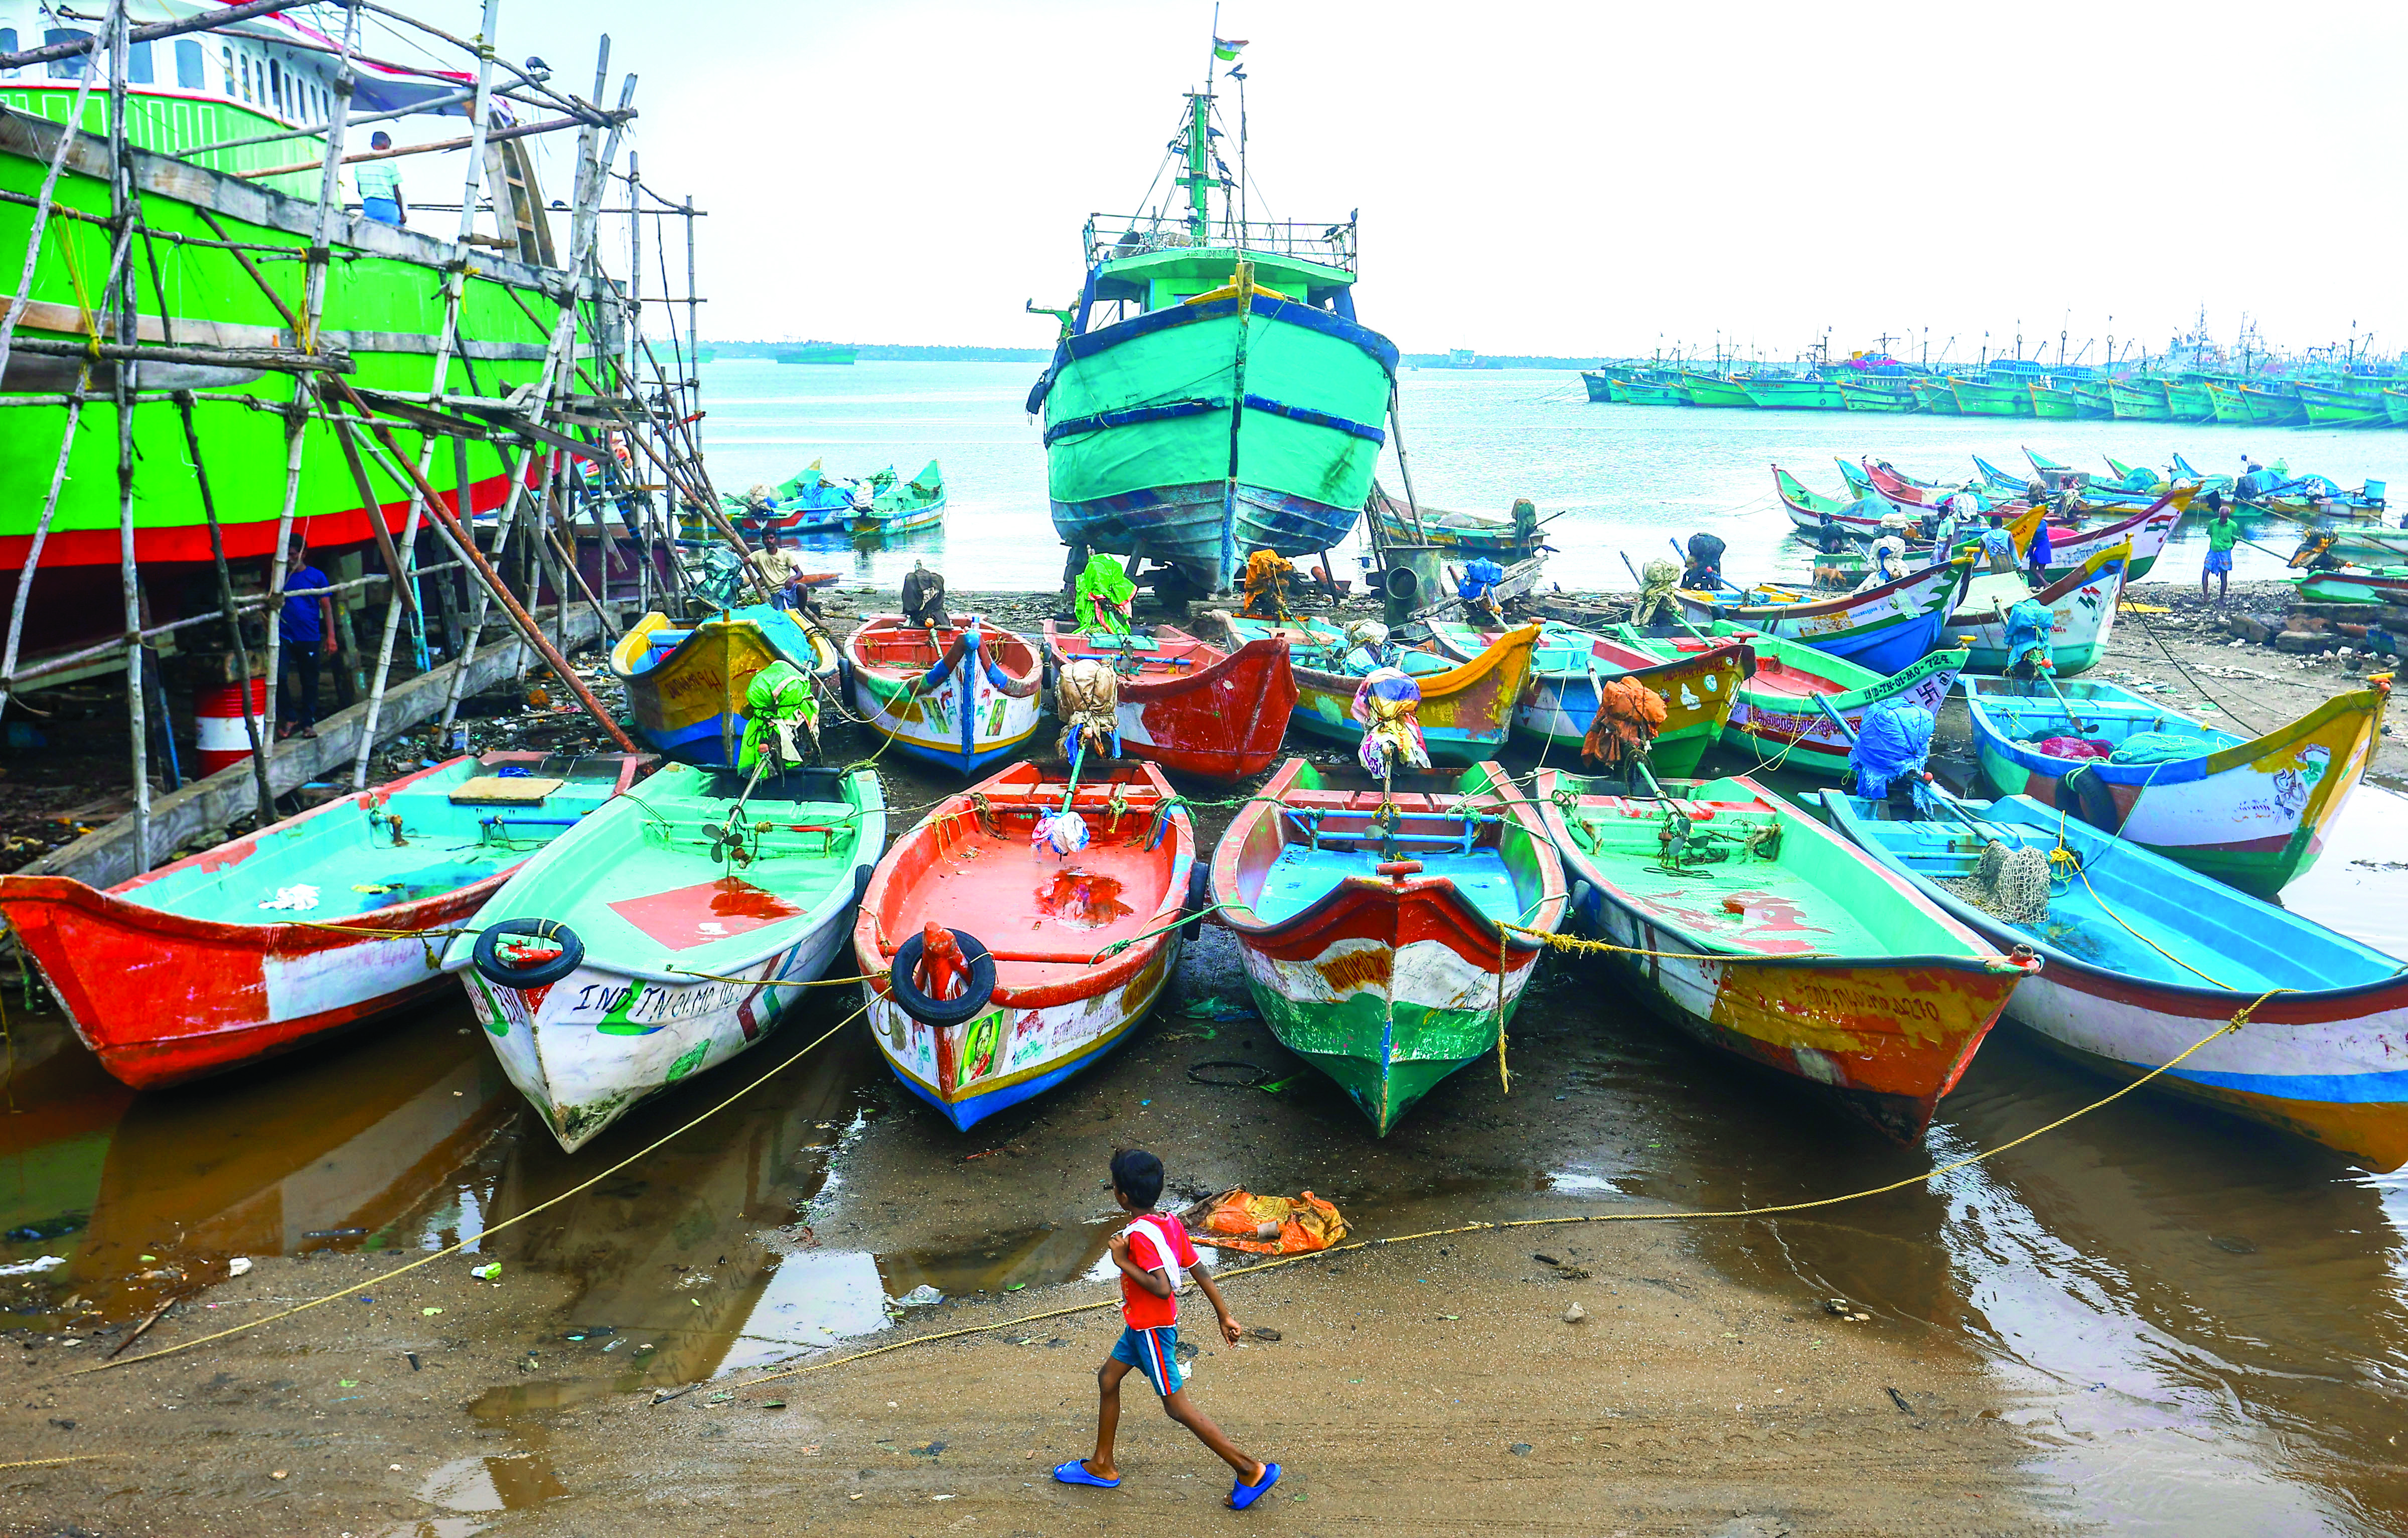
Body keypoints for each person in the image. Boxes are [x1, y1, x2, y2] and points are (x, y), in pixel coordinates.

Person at [1054, 1148, 1280, 1510]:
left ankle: (1249, 1468)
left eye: (1114, 1185)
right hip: (1140, 1325)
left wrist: (1122, 1261)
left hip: (1152, 1330)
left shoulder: (1140, 1238)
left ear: (1122, 1196)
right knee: (1108, 1379)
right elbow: (1197, 1267)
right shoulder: (1168, 1222)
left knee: (1178, 1408)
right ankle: (1101, 1464)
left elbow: (1161, 1286)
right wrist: (1225, 1314)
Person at [276, 539, 337, 740]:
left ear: (303, 554)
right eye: (287, 555)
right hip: (285, 636)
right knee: (279, 677)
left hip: (309, 636)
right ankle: (290, 716)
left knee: (309, 681)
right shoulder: (280, 577)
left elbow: (327, 608)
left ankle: (308, 722)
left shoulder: (316, 577)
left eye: (293, 554)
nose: (289, 559)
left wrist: (331, 637)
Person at [748, 526, 806, 610]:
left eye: (771, 538)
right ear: (763, 541)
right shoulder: (758, 555)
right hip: (776, 592)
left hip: (789, 588)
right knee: (782, 615)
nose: (769, 541)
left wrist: (792, 579)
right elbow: (744, 562)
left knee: (802, 588)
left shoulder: (785, 554)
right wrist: (735, 552)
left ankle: (802, 611)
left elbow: (800, 573)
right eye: (766, 538)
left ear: (776, 539)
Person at [356, 132, 405, 226]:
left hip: (369, 206)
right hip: (388, 208)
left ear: (372, 145)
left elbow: (360, 190)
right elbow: (396, 192)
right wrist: (402, 214)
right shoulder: (390, 165)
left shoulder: (360, 164)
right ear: (385, 145)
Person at [2203, 498, 2241, 602]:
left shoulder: (2233, 526)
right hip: (2213, 551)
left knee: (2224, 576)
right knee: (2205, 572)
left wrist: (2229, 548)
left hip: (2225, 552)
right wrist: (2215, 545)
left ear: (2228, 517)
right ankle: (2206, 596)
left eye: (2225, 518)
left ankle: (2221, 599)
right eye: (2222, 517)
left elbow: (2234, 539)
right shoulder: (2213, 524)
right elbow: (2211, 535)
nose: (2223, 519)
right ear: (2219, 516)